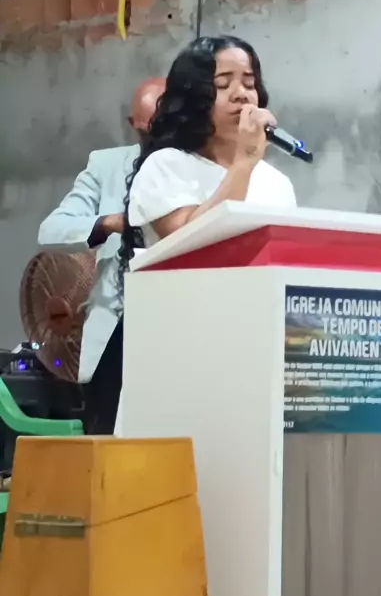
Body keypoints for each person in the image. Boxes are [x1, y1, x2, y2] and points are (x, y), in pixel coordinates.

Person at [38, 77, 166, 433]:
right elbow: (51, 230)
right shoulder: (106, 165)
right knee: (105, 443)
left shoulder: (198, 167)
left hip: (173, 330)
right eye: (147, 131)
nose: (157, 140)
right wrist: (109, 222)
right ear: (133, 125)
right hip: (112, 335)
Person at [119, 36, 296, 269]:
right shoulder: (165, 165)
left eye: (249, 83)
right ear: (193, 98)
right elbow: (194, 244)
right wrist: (243, 163)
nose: (241, 94)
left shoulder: (277, 182)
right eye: (222, 84)